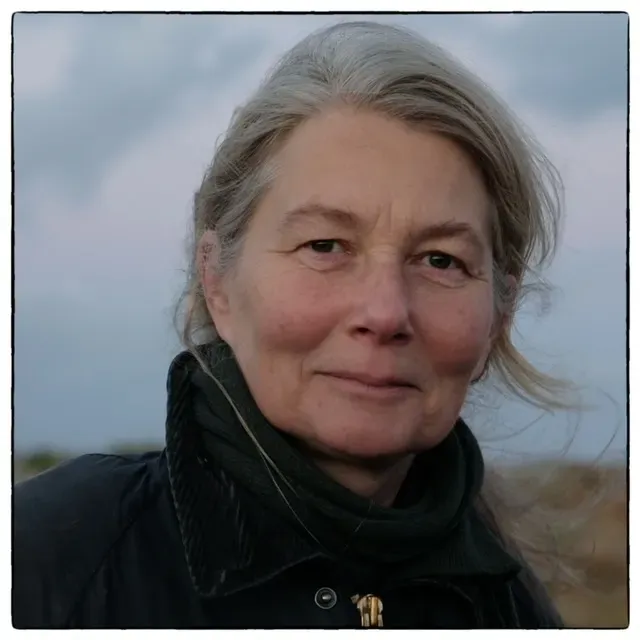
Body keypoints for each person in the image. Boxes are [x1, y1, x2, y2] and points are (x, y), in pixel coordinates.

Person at [13, 21, 568, 629]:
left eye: (441, 260)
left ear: (500, 314)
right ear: (217, 280)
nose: (385, 313)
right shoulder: (50, 567)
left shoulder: (511, 610)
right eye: (324, 246)